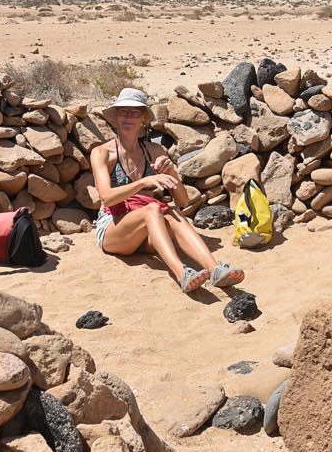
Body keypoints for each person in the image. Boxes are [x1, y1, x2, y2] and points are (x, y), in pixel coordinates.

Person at [97, 87, 244, 297]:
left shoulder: (154, 152)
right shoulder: (102, 153)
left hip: (147, 233)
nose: (128, 117)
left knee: (171, 211)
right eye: (123, 111)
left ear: (144, 118)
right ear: (116, 116)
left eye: (135, 112)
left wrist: (171, 173)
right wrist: (144, 182)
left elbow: (183, 201)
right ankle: (182, 273)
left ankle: (215, 269)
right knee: (153, 209)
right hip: (115, 226)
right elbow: (106, 197)